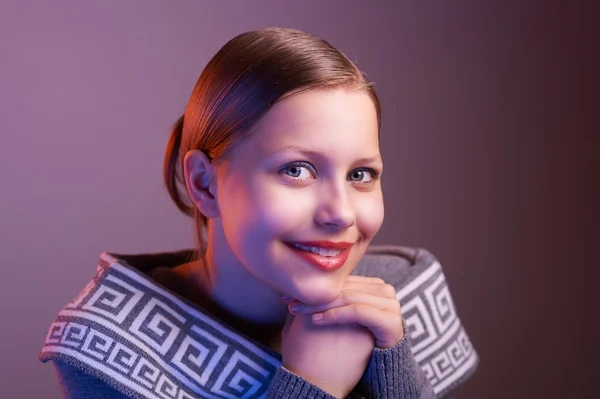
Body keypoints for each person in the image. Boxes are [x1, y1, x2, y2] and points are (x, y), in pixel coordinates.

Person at [39, 28, 478, 398]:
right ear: (204, 184)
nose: (341, 213)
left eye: (361, 174)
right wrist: (311, 385)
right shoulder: (112, 344)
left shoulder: (403, 297)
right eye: (297, 170)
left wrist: (394, 371)